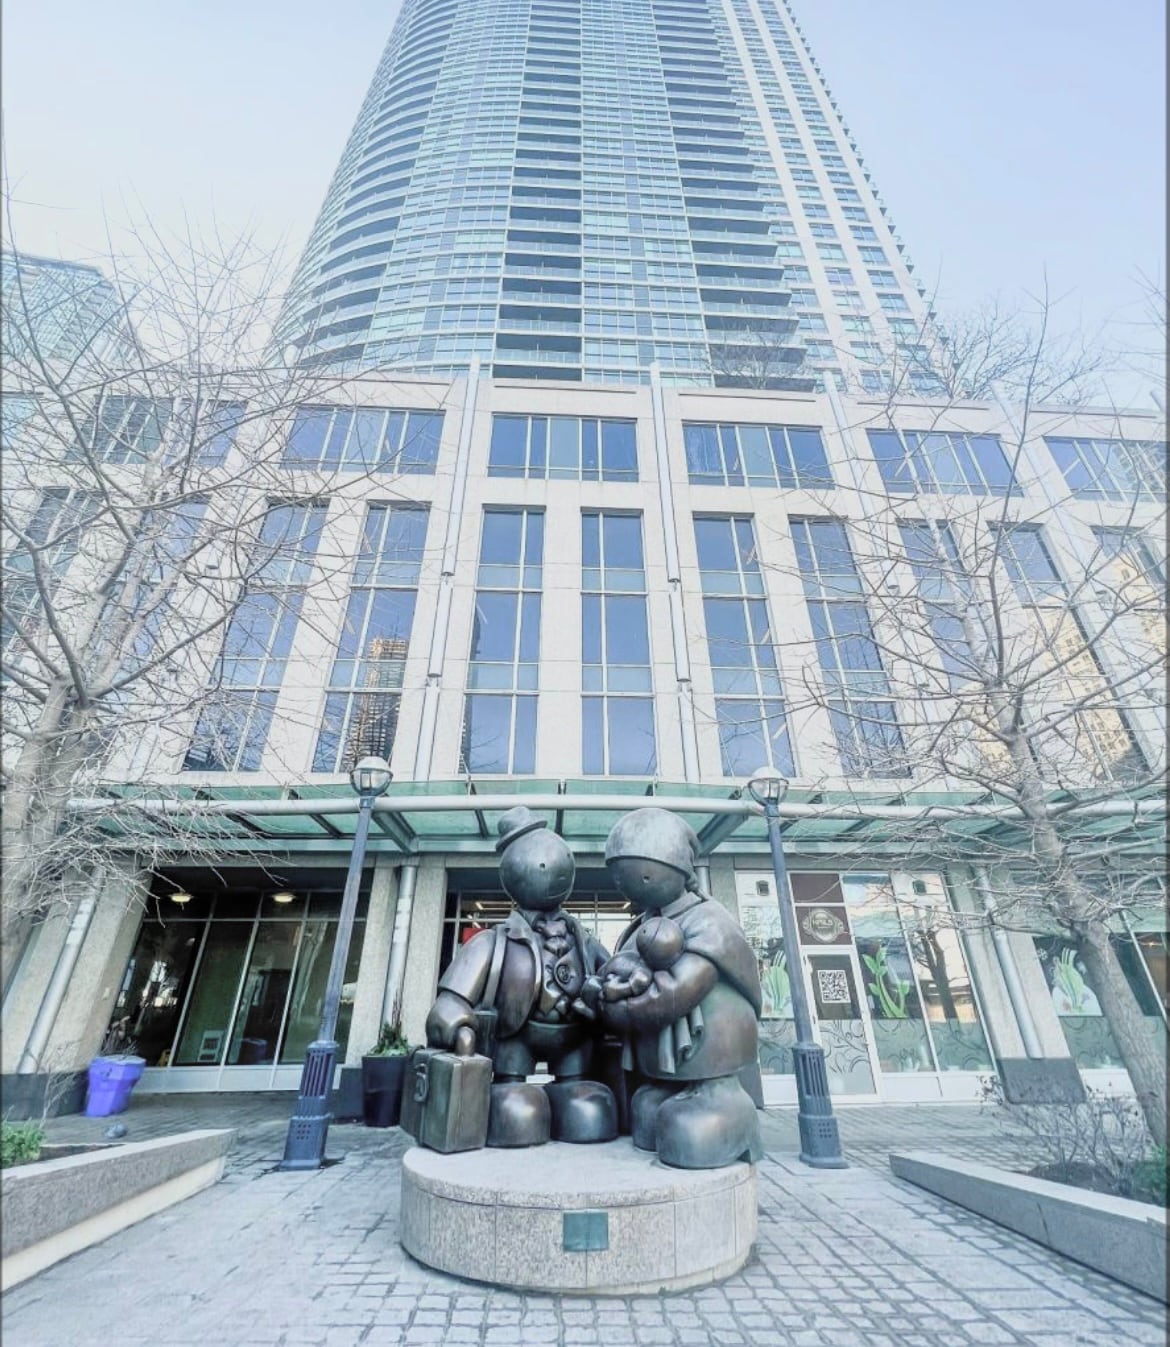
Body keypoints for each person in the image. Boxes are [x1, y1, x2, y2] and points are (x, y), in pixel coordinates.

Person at [582, 807, 764, 1169]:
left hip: (711, 1059)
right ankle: (671, 1087)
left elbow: (674, 993)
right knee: (646, 1109)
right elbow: (616, 970)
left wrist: (614, 1006)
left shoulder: (709, 920)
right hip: (662, 1064)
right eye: (619, 876)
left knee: (689, 1133)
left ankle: (722, 1100)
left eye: (640, 873)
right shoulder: (641, 925)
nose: (627, 884)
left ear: (674, 868)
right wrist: (599, 990)